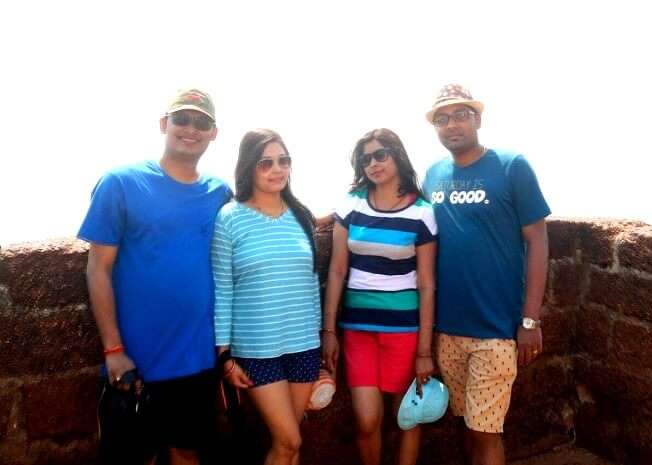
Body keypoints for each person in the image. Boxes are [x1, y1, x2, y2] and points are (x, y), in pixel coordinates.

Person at [78, 88, 231, 465]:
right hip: (136, 358)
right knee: (135, 456)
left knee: (186, 452)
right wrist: (113, 349)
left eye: (202, 122)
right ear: (165, 124)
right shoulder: (121, 183)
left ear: (214, 133)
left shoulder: (219, 192)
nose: (190, 129)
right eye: (182, 119)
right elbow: (98, 267)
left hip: (197, 358)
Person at [422, 84, 550, 465]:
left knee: (486, 430)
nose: (452, 125)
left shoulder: (511, 166)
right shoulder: (433, 175)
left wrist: (530, 319)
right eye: (442, 119)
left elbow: (538, 242)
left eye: (461, 115)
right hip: (448, 329)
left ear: (478, 118)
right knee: (467, 423)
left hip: (495, 329)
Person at [322, 128, 438, 465]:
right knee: (367, 420)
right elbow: (336, 271)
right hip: (358, 332)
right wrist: (329, 332)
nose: (373, 163)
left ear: (397, 155)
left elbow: (427, 284)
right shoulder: (352, 205)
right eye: (365, 158)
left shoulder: (421, 213)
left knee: (407, 418)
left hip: (404, 332)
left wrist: (424, 351)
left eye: (380, 155)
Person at [211, 129, 321, 465]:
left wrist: (320, 339)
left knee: (294, 445)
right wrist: (224, 357)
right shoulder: (230, 218)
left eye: (283, 161)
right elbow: (222, 288)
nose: (277, 169)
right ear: (249, 168)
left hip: (303, 346)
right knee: (287, 440)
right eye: (266, 163)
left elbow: (311, 283)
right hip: (257, 351)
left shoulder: (301, 216)